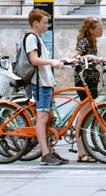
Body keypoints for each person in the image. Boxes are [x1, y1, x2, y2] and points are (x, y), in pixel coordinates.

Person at [24, 9, 70, 166]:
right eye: (44, 22)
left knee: (49, 117)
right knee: (42, 118)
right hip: (40, 83)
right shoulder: (31, 38)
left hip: (46, 82)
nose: (47, 26)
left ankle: (50, 151)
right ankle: (44, 153)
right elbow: (34, 60)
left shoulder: (38, 38)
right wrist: (51, 62)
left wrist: (57, 60)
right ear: (35, 23)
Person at [71, 16, 106, 163]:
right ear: (91, 30)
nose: (102, 30)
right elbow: (74, 57)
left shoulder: (92, 41)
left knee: (86, 115)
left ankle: (84, 148)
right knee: (83, 116)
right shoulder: (84, 41)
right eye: (100, 28)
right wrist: (90, 56)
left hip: (91, 81)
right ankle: (81, 152)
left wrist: (103, 59)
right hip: (84, 81)